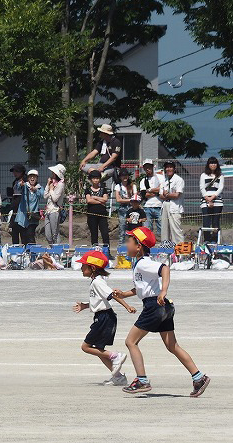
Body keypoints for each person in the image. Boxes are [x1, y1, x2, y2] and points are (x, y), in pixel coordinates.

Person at [113, 226, 210, 397]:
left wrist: (164, 290)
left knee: (131, 342)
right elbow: (141, 289)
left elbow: (164, 268)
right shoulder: (140, 264)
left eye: (128, 241)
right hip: (163, 306)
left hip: (154, 306)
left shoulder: (144, 263)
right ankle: (199, 377)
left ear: (139, 246)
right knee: (172, 346)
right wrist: (124, 294)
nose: (125, 244)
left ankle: (141, 380)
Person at [73, 250, 134, 387]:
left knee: (86, 347)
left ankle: (115, 356)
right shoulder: (96, 281)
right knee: (100, 349)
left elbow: (112, 295)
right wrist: (85, 306)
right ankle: (118, 377)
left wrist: (127, 306)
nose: (81, 268)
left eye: (84, 265)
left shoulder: (97, 282)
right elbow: (99, 301)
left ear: (92, 268)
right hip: (104, 317)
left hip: (104, 318)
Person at [14, 169, 43, 245]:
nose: (32, 178)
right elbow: (17, 188)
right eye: (30, 177)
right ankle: (26, 254)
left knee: (30, 235)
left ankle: (32, 255)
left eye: (34, 177)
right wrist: (20, 184)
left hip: (33, 216)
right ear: (28, 178)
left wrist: (35, 190)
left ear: (37, 178)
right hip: (22, 216)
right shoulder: (24, 185)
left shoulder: (39, 187)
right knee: (23, 237)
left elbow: (42, 195)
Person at [200, 156, 224, 242]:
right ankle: (207, 239)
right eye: (211, 163)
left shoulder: (220, 176)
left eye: (214, 163)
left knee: (215, 222)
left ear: (217, 164)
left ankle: (215, 240)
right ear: (208, 164)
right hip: (205, 201)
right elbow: (202, 188)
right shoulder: (203, 175)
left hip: (217, 201)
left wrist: (213, 197)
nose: (213, 165)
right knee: (206, 222)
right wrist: (208, 199)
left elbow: (220, 188)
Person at [160, 161, 185, 244]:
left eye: (171, 167)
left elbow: (177, 195)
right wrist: (168, 195)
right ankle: (166, 251)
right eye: (167, 167)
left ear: (174, 169)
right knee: (164, 230)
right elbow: (161, 195)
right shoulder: (164, 180)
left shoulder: (179, 180)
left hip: (175, 206)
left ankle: (180, 252)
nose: (169, 169)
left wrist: (167, 194)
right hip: (165, 205)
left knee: (176, 230)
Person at [85, 170, 110, 248]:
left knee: (105, 233)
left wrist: (95, 197)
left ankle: (107, 251)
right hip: (92, 214)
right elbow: (89, 200)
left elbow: (105, 199)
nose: (96, 180)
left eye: (97, 178)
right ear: (91, 179)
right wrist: (100, 201)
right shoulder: (88, 190)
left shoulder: (103, 189)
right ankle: (95, 251)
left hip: (102, 214)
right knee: (94, 234)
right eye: (94, 178)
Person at [139, 159, 163, 236]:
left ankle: (163, 244)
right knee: (147, 229)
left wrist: (150, 190)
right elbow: (144, 194)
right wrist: (157, 191)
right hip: (147, 207)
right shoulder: (143, 180)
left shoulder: (160, 177)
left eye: (149, 167)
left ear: (153, 167)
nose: (147, 169)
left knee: (161, 228)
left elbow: (162, 189)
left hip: (160, 205)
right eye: (146, 167)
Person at [113, 169, 137, 244]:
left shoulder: (133, 185)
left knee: (133, 227)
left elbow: (135, 198)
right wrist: (130, 199)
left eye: (126, 175)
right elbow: (118, 199)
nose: (125, 177)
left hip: (132, 208)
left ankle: (133, 244)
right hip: (122, 209)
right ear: (120, 177)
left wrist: (125, 199)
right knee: (122, 227)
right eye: (123, 175)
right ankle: (121, 246)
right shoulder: (118, 186)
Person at [44, 164, 65, 245]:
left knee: (55, 233)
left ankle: (57, 251)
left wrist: (52, 190)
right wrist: (48, 185)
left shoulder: (60, 184)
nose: (52, 174)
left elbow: (55, 198)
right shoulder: (52, 183)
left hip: (55, 210)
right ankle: (52, 249)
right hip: (48, 211)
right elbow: (45, 196)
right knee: (47, 235)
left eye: (53, 172)